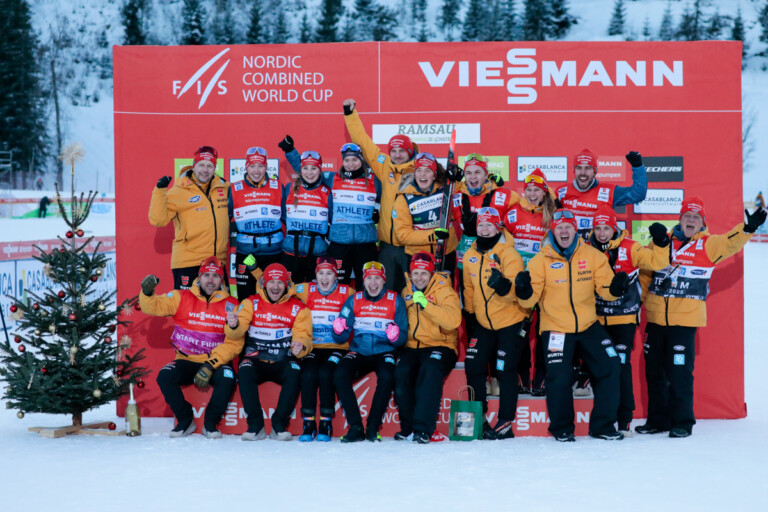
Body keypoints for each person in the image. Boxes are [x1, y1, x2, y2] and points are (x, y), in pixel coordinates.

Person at [636, 198, 766, 438]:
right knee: (654, 373)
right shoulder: (661, 241)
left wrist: (747, 229)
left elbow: (730, 243)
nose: (691, 220)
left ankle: (682, 422)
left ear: (702, 222)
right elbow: (645, 275)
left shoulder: (708, 245)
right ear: (680, 218)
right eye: (687, 216)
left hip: (684, 322)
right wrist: (638, 304)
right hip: (655, 320)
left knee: (679, 374)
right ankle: (657, 420)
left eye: (696, 217)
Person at [515, 209, 629, 442]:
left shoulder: (593, 255)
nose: (564, 231)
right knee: (558, 377)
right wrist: (524, 290)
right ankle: (562, 428)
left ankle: (603, 426)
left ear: (575, 229)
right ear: (553, 231)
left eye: (568, 227)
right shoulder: (540, 260)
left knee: (611, 365)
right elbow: (529, 300)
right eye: (559, 228)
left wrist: (615, 289)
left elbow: (606, 289)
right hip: (556, 327)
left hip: (588, 325)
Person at [139, 257, 242, 438]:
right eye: (207, 276)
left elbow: (235, 343)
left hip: (215, 362)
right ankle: (185, 420)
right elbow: (154, 307)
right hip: (186, 359)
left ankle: (210, 424)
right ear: (199, 277)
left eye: (215, 277)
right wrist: (147, 293)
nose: (210, 281)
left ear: (221, 280)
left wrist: (210, 365)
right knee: (165, 376)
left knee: (227, 378)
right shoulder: (181, 296)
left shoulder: (233, 305)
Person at [588, 206, 670, 433]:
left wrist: (662, 242)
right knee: (600, 369)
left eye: (606, 228)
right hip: (594, 321)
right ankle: (604, 416)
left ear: (615, 228)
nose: (602, 233)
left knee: (622, 367)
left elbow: (658, 263)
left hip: (623, 319)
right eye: (597, 228)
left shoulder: (630, 247)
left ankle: (624, 418)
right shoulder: (586, 248)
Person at [226, 263, 313, 441]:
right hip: (256, 359)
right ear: (264, 283)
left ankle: (279, 424)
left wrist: (301, 346)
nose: (275, 287)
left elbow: (304, 336)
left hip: (283, 359)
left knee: (295, 371)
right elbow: (236, 332)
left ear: (287, 285)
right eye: (271, 282)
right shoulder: (250, 303)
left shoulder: (299, 308)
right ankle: (255, 425)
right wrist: (233, 325)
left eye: (280, 282)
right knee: (244, 370)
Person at [462, 207, 528, 439]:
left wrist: (503, 286)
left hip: (510, 320)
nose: (485, 229)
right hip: (483, 322)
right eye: (481, 225)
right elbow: (468, 289)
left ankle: (505, 421)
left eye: (489, 225)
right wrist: (470, 314)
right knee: (474, 366)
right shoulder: (469, 255)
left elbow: (518, 290)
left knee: (504, 369)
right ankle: (478, 417)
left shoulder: (509, 254)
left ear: (498, 227)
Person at [344, 98, 418, 292]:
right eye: (393, 150)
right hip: (386, 246)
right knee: (389, 295)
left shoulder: (420, 170)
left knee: (413, 293)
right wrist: (351, 115)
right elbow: (364, 144)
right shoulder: (385, 166)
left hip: (411, 246)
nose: (397, 154)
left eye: (402, 150)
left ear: (409, 151)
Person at [332, 261, 408, 442]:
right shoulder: (354, 299)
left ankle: (373, 426)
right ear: (363, 281)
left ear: (384, 281)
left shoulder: (395, 300)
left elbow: (403, 337)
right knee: (340, 374)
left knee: (388, 376)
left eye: (377, 279)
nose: (373, 283)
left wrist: (396, 337)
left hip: (385, 351)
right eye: (369, 279)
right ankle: (356, 426)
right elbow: (341, 338)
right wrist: (338, 330)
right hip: (359, 350)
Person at [394, 252, 461, 443]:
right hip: (412, 346)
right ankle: (407, 428)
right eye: (415, 273)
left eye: (424, 273)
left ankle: (423, 429)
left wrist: (426, 305)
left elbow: (453, 321)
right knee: (401, 372)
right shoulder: (406, 291)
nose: (419, 277)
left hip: (441, 345)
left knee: (430, 370)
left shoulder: (444, 291)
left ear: (431, 274)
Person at [505, 167, 557, 397]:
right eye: (528, 189)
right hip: (521, 278)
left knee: (545, 327)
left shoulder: (554, 214)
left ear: (545, 192)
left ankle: (543, 377)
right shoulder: (513, 212)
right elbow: (503, 243)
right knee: (520, 328)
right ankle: (522, 375)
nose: (532, 193)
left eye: (537, 189)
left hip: (546, 278)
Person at [149, 146, 230, 290]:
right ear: (194, 165)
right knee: (187, 311)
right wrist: (159, 192)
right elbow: (158, 220)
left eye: (210, 166)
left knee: (219, 311)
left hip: (217, 263)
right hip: (189, 262)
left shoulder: (223, 188)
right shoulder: (178, 191)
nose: (205, 170)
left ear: (215, 168)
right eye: (201, 165)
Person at [294, 256, 354, 442]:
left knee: (326, 373)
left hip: (337, 347)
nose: (325, 277)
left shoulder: (347, 291)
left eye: (329, 273)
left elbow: (360, 310)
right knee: (309, 374)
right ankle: (309, 423)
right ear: (315, 274)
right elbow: (276, 288)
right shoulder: (305, 289)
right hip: (313, 346)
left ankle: (326, 423)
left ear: (336, 276)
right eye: (321, 273)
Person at [229, 146, 284, 299]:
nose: (256, 171)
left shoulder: (277, 186)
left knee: (271, 297)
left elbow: (287, 218)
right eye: (252, 166)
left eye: (260, 166)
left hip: (273, 252)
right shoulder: (234, 188)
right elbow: (223, 220)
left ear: (266, 167)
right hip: (247, 252)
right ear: (246, 167)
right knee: (245, 296)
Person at [451, 153, 518, 274]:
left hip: (493, 261)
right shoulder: (457, 196)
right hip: (465, 261)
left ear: (486, 174)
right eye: (468, 173)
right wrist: (452, 181)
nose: (472, 177)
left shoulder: (503, 195)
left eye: (477, 172)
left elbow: (532, 203)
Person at [558, 149, 647, 239]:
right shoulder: (561, 191)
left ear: (595, 171)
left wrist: (637, 167)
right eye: (579, 168)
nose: (583, 173)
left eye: (588, 168)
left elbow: (638, 195)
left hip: (597, 248)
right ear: (574, 170)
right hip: (570, 248)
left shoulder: (608, 191)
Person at [393, 152, 459, 273]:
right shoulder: (404, 198)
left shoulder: (445, 190)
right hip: (417, 257)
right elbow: (402, 235)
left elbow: (464, 202)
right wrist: (433, 235)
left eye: (428, 170)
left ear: (434, 175)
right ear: (414, 173)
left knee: (445, 290)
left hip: (446, 252)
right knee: (419, 291)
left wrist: (457, 179)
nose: (422, 174)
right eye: (419, 170)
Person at [325, 143, 381, 285]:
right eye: (347, 160)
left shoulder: (374, 180)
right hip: (339, 243)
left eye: (354, 160)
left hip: (366, 244)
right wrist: (290, 152)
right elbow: (308, 174)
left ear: (361, 160)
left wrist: (379, 213)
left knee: (368, 285)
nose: (351, 164)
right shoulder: (333, 178)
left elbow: (391, 196)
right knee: (338, 285)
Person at [281, 148, 332, 284]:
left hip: (317, 254)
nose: (309, 173)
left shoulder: (326, 192)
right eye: (306, 168)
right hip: (291, 252)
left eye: (314, 168)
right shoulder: (289, 188)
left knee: (314, 295)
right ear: (300, 170)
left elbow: (332, 219)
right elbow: (282, 216)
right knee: (290, 293)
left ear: (320, 170)